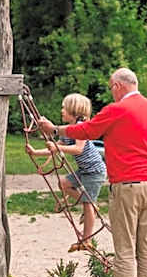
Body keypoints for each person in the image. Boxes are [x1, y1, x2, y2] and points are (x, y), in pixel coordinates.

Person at [39, 68, 147, 277]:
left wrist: (55, 129)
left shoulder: (117, 109)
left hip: (128, 184)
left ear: (117, 86)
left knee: (124, 248)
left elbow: (87, 130)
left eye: (112, 87)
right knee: (146, 246)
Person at [26, 93, 106, 252]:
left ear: (74, 111)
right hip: (84, 170)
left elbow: (78, 149)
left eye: (64, 108)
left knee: (88, 204)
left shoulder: (81, 127)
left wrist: (58, 147)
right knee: (64, 184)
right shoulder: (68, 132)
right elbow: (55, 148)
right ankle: (91, 205)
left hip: (94, 171)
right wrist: (35, 152)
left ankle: (86, 240)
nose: (61, 111)